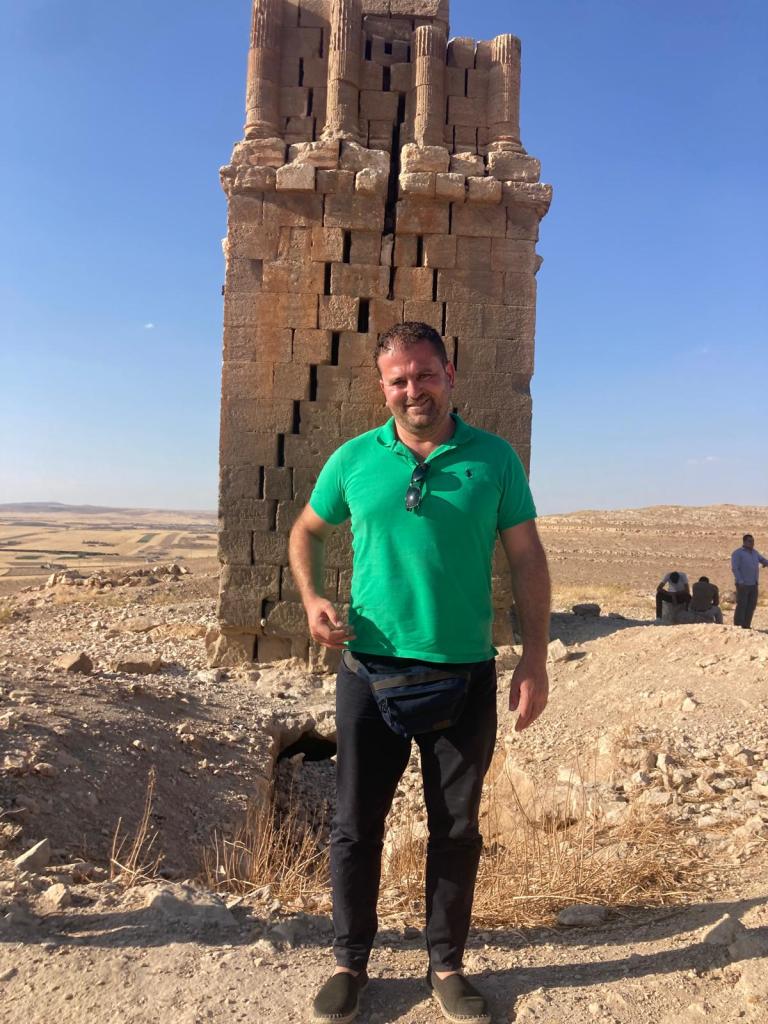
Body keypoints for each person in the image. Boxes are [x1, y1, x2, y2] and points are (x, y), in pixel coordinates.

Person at [288, 322, 550, 1024]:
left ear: (450, 375)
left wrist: (535, 655)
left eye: (424, 375)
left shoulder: (494, 460)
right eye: (399, 380)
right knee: (353, 825)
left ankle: (446, 967)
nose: (413, 390)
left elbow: (527, 557)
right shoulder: (352, 460)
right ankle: (349, 962)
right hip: (369, 672)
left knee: (456, 829)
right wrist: (313, 598)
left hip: (464, 676)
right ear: (383, 387)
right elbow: (306, 530)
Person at [731, 534, 768, 629]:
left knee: (751, 606)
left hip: (753, 584)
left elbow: (763, 560)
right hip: (743, 584)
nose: (752, 543)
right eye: (749, 541)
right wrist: (740, 581)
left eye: (753, 541)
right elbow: (735, 568)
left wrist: (765, 563)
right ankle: (738, 626)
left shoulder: (755, 553)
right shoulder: (737, 553)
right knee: (742, 605)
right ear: (744, 542)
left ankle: (746, 626)